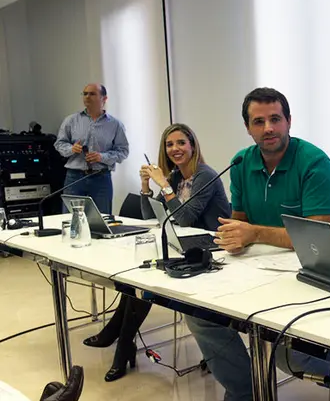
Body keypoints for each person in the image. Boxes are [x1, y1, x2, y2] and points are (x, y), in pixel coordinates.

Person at [184, 88, 330, 401]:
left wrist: (254, 233)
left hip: (316, 273)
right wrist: (233, 236)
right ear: (248, 128)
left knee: (278, 348)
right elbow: (240, 220)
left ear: (289, 121)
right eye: (259, 121)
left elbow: (317, 235)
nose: (269, 128)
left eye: (275, 119)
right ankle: (244, 391)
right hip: (260, 268)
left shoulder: (315, 163)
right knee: (198, 312)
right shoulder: (241, 161)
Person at [81, 123, 230, 382]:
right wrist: (146, 185)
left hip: (215, 249)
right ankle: (121, 340)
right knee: (138, 277)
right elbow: (150, 215)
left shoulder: (205, 175)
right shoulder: (174, 177)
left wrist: (164, 184)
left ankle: (120, 342)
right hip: (187, 245)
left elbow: (185, 218)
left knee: (146, 281)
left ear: (193, 146)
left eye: (181, 142)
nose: (175, 149)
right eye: (169, 144)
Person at [54, 83, 129, 214]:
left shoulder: (115, 125)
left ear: (104, 99)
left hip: (101, 178)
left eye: (92, 94)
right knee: (71, 220)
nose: (87, 97)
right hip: (74, 178)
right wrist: (72, 149)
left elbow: (123, 151)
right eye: (85, 93)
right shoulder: (71, 121)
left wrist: (102, 157)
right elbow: (59, 144)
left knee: (102, 218)